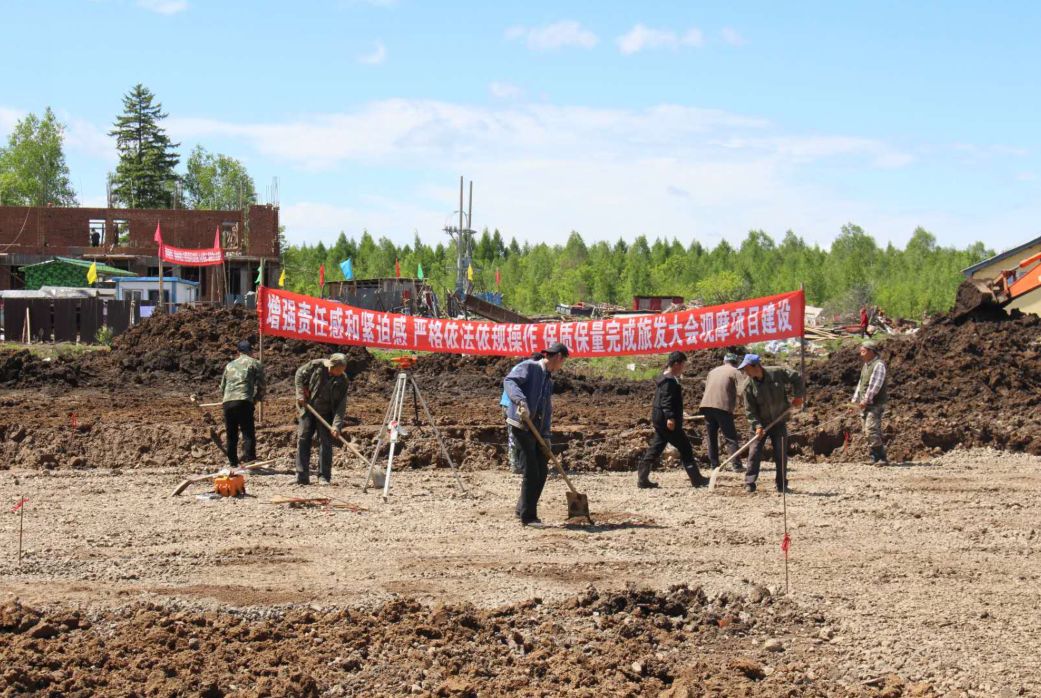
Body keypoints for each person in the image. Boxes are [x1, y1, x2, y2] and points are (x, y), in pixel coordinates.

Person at [503, 343, 570, 527]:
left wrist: (546, 436)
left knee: (542, 470)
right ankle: (528, 516)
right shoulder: (530, 367)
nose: (561, 366)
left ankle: (522, 507)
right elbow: (509, 381)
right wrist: (521, 402)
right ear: (558, 357)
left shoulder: (548, 378)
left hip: (537, 429)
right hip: (521, 425)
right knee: (532, 471)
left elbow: (546, 409)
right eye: (563, 361)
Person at [638, 351, 709, 489]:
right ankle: (697, 479)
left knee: (656, 448)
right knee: (686, 447)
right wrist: (670, 417)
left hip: (659, 419)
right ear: (676, 364)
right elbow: (666, 401)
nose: (684, 368)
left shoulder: (665, 377)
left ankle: (642, 479)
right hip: (666, 421)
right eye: (683, 365)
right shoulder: (668, 382)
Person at [738, 354, 804, 494]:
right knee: (754, 452)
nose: (745, 372)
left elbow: (797, 377)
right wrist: (757, 425)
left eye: (746, 368)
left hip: (779, 420)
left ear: (755, 366)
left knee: (780, 452)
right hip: (760, 423)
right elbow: (750, 410)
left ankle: (781, 485)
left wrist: (798, 395)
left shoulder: (776, 373)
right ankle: (750, 483)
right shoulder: (748, 386)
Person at [294, 353, 349, 485]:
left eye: (342, 371)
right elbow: (299, 374)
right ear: (332, 366)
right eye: (338, 371)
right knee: (303, 438)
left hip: (326, 412)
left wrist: (336, 425)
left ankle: (324, 477)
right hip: (308, 407)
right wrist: (300, 393)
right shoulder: (316, 366)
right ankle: (302, 476)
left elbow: (341, 405)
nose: (339, 373)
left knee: (326, 442)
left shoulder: (343, 380)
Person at [219, 339, 265, 467]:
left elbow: (222, 387)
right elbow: (262, 385)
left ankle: (233, 463)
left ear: (238, 352)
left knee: (231, 434)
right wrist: (256, 399)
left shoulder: (229, 365)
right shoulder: (255, 363)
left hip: (228, 402)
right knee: (247, 432)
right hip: (244, 400)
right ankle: (250, 461)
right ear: (250, 351)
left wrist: (227, 399)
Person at [698, 352, 745, 474]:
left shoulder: (712, 371)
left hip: (706, 406)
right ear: (736, 363)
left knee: (711, 436)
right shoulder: (736, 371)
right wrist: (742, 403)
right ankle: (736, 465)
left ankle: (714, 465)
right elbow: (742, 390)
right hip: (722, 407)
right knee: (730, 437)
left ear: (724, 361)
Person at [852, 340, 889, 465]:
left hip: (875, 404)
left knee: (871, 429)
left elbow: (875, 386)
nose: (861, 354)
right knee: (865, 431)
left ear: (871, 351)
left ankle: (882, 458)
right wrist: (854, 401)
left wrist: (865, 400)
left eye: (863, 351)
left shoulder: (878, 365)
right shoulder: (866, 366)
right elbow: (861, 385)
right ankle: (874, 457)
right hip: (866, 403)